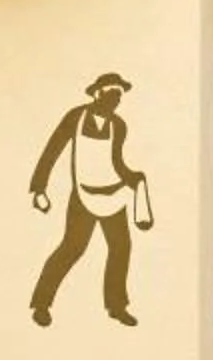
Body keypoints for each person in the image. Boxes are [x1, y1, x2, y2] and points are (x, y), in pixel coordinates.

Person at [30, 72, 151, 327]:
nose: (116, 100)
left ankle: (116, 306)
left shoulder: (118, 126)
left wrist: (133, 178)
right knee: (72, 248)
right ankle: (41, 303)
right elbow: (53, 149)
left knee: (121, 247)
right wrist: (40, 188)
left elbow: (116, 163)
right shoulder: (75, 117)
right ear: (98, 93)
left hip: (112, 195)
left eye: (119, 96)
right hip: (83, 195)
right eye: (112, 94)